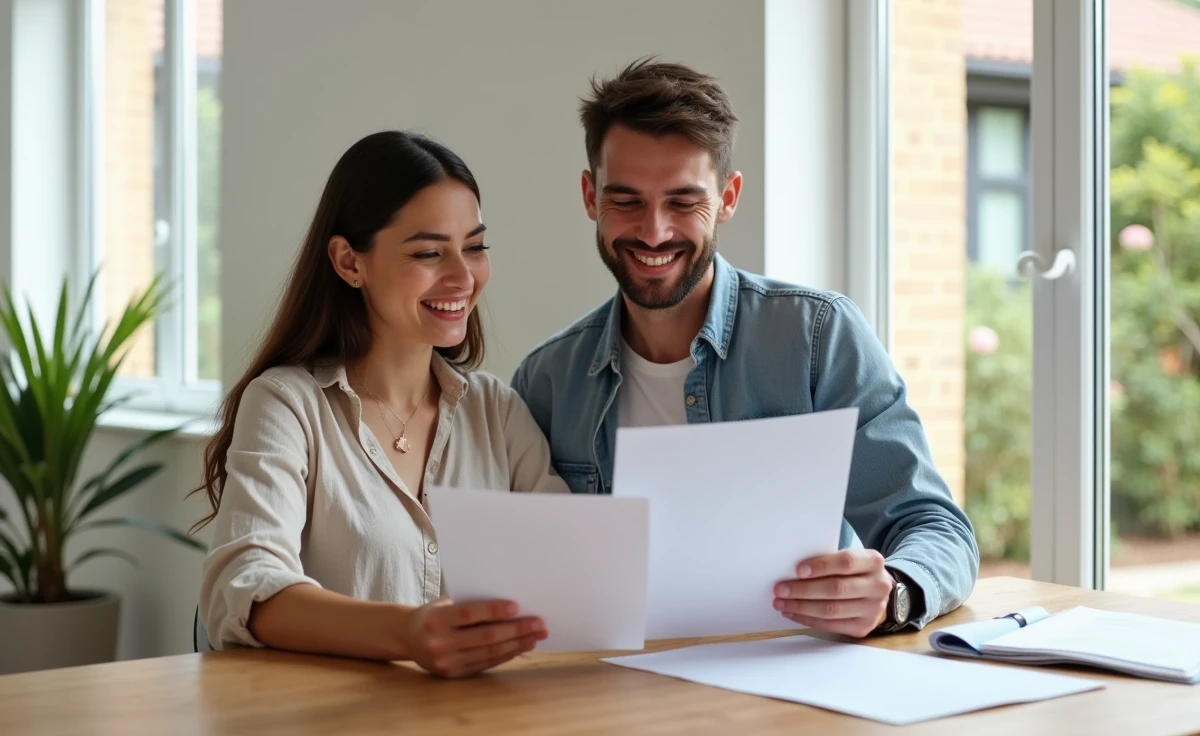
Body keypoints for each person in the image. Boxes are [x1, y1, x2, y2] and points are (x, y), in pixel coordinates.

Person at [512, 59, 979, 638]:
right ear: (590, 197)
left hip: (793, 694)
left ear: (728, 198)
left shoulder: (817, 338)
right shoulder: (547, 381)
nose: (653, 231)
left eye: (683, 202)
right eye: (626, 200)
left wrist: (895, 594)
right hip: (616, 693)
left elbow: (935, 527)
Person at [197, 131, 566, 678]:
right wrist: (407, 634)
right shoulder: (286, 404)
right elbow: (246, 584)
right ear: (349, 262)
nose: (463, 276)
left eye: (475, 246)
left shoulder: (497, 412)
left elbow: (570, 567)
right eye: (428, 253)